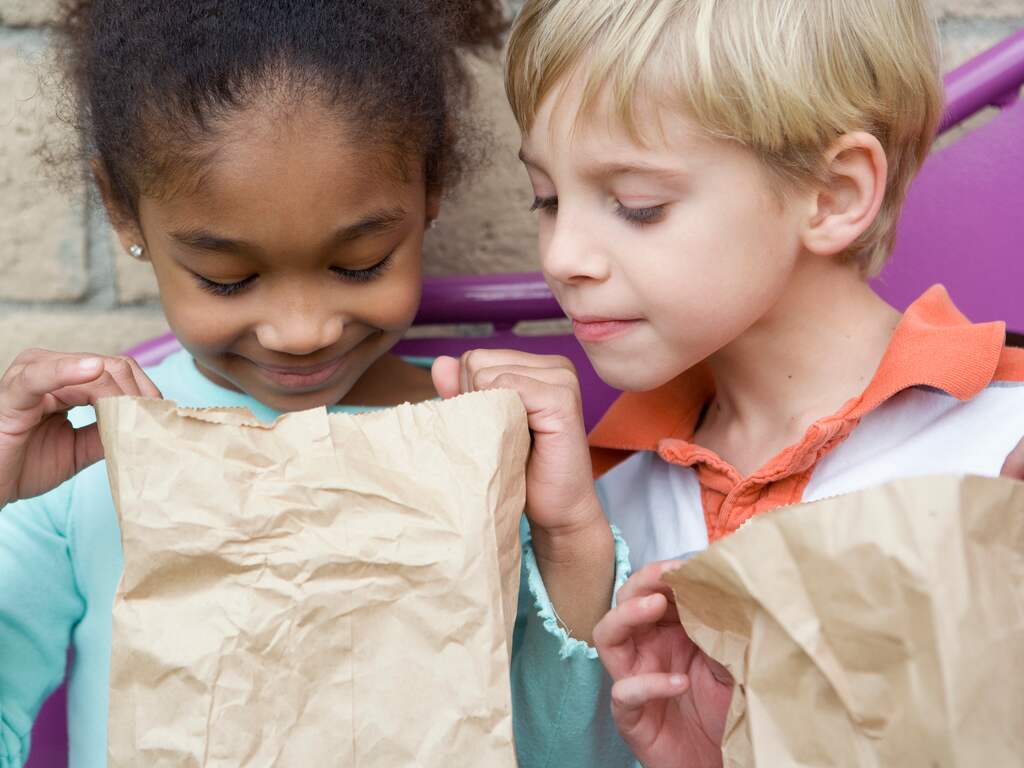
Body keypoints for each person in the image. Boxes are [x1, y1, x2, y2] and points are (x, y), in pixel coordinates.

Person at [0, 3, 629, 766]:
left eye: (360, 263)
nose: (301, 330)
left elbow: (575, 753)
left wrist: (567, 538)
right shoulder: (75, 472)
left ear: (431, 185)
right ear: (120, 207)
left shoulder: (486, 447)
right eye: (227, 279)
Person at [491, 0, 1024, 764]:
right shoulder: (603, 498)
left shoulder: (1003, 445)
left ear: (835, 194)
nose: (562, 254)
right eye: (545, 198)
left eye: (637, 206)